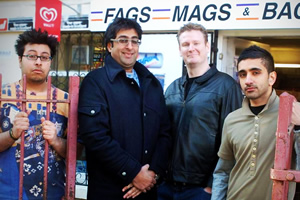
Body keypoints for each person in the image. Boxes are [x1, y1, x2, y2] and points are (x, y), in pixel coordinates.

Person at [78, 18, 172, 200]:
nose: (130, 46)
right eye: (123, 40)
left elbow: (165, 132)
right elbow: (95, 137)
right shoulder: (95, 82)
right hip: (110, 191)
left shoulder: (151, 83)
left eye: (134, 41)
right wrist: (134, 173)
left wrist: (152, 173)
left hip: (148, 191)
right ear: (109, 46)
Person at [157, 23, 243, 200]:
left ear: (207, 46)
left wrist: (212, 185)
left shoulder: (226, 86)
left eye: (196, 43)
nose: (191, 48)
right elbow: (162, 134)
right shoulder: (173, 88)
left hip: (200, 190)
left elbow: (233, 140)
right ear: (180, 50)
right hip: (166, 186)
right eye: (186, 44)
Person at [211, 45, 300, 200]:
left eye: (256, 73)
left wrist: (298, 126)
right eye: (243, 74)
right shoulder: (232, 119)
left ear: (272, 77)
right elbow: (223, 172)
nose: (248, 80)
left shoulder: (293, 114)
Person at [0, 29, 69, 199]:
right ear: (19, 59)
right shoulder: (3, 95)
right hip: (7, 192)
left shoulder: (65, 100)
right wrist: (12, 134)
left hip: (52, 192)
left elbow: (76, 151)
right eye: (31, 56)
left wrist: (55, 140)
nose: (38, 62)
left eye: (44, 57)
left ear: (50, 62)